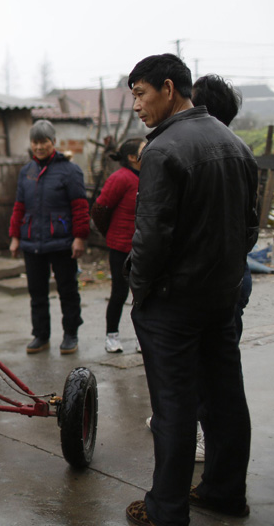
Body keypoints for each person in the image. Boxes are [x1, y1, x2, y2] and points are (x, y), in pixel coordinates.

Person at [124, 54, 256, 526]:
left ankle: (166, 509)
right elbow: (249, 230)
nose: (136, 104)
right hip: (220, 299)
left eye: (140, 93)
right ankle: (223, 493)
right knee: (224, 400)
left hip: (173, 305)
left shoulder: (162, 149)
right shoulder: (234, 143)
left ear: (168, 88)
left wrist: (141, 291)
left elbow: (152, 236)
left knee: (174, 408)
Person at [8, 120, 89, 354]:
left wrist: (80, 237)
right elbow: (19, 207)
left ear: (53, 142)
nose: (39, 146)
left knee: (67, 290)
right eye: (35, 142)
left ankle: (71, 334)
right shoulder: (27, 172)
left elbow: (81, 208)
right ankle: (41, 336)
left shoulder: (70, 170)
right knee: (37, 292)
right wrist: (15, 237)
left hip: (62, 241)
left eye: (43, 141)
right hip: (33, 241)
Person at [192, 74, 251, 339]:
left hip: (206, 282)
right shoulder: (242, 152)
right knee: (225, 362)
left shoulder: (192, 155)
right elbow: (250, 223)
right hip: (237, 273)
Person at [90, 138, 145, 353]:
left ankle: (143, 337)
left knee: (143, 296)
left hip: (144, 247)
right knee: (120, 293)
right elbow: (100, 209)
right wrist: (110, 234)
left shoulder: (149, 176)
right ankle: (111, 336)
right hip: (121, 248)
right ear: (132, 158)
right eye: (143, 149)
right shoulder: (120, 178)